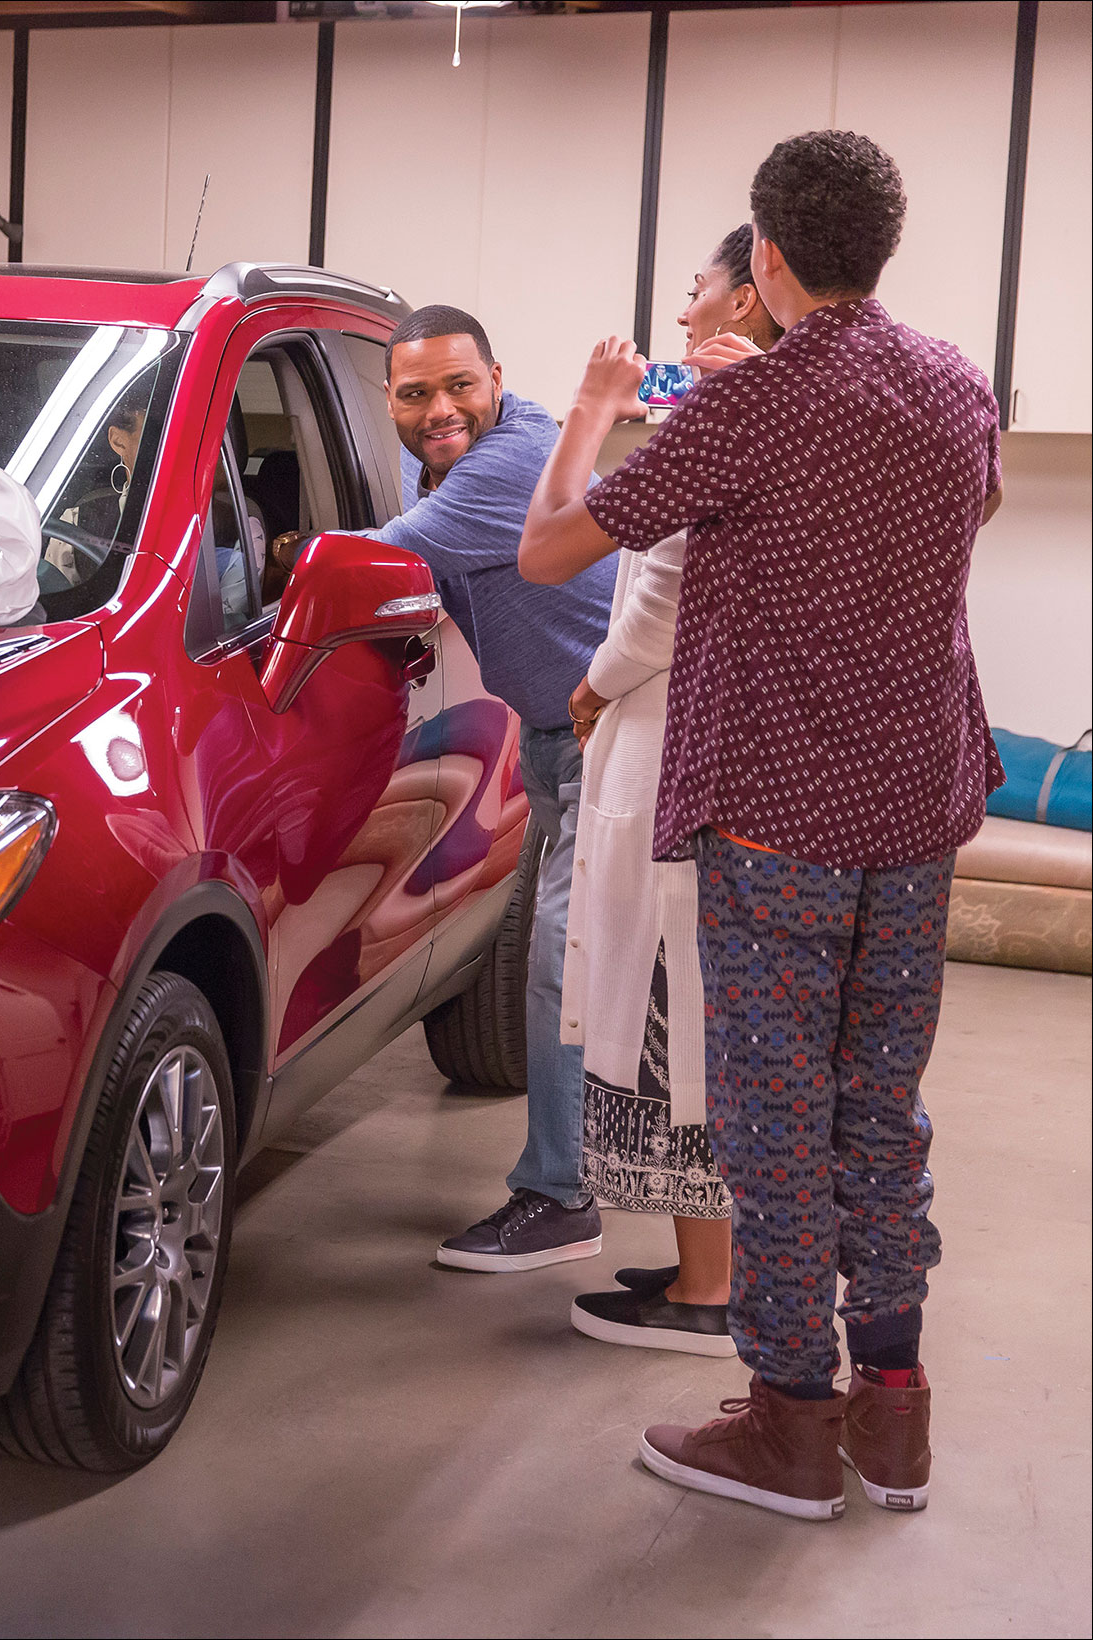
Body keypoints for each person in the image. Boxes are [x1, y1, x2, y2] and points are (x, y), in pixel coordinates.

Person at [521, 131, 1002, 1520]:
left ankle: (789, 1422)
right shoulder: (956, 386)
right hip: (915, 806)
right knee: (878, 1111)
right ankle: (891, 1422)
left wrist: (592, 414)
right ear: (880, 248)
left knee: (774, 1121)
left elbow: (547, 549)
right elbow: (954, 525)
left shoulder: (748, 405)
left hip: (777, 814)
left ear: (768, 259)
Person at [563, 226, 782, 1358]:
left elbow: (654, 595)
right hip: (738, 753)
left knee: (672, 1025)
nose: (683, 307)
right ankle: (714, 1266)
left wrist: (592, 685)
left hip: (672, 752)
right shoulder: (793, 414)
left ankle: (705, 1292)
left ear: (748, 294)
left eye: (696, 287)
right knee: (702, 1021)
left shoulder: (714, 412)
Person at [367, 305, 619, 1273]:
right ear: (386, 398)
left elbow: (372, 557)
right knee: (575, 965)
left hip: (610, 734)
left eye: (458, 385)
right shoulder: (435, 461)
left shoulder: (510, 460)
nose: (440, 408)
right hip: (555, 736)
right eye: (416, 392)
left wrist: (245, 564)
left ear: (496, 378)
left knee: (564, 964)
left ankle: (559, 1197)